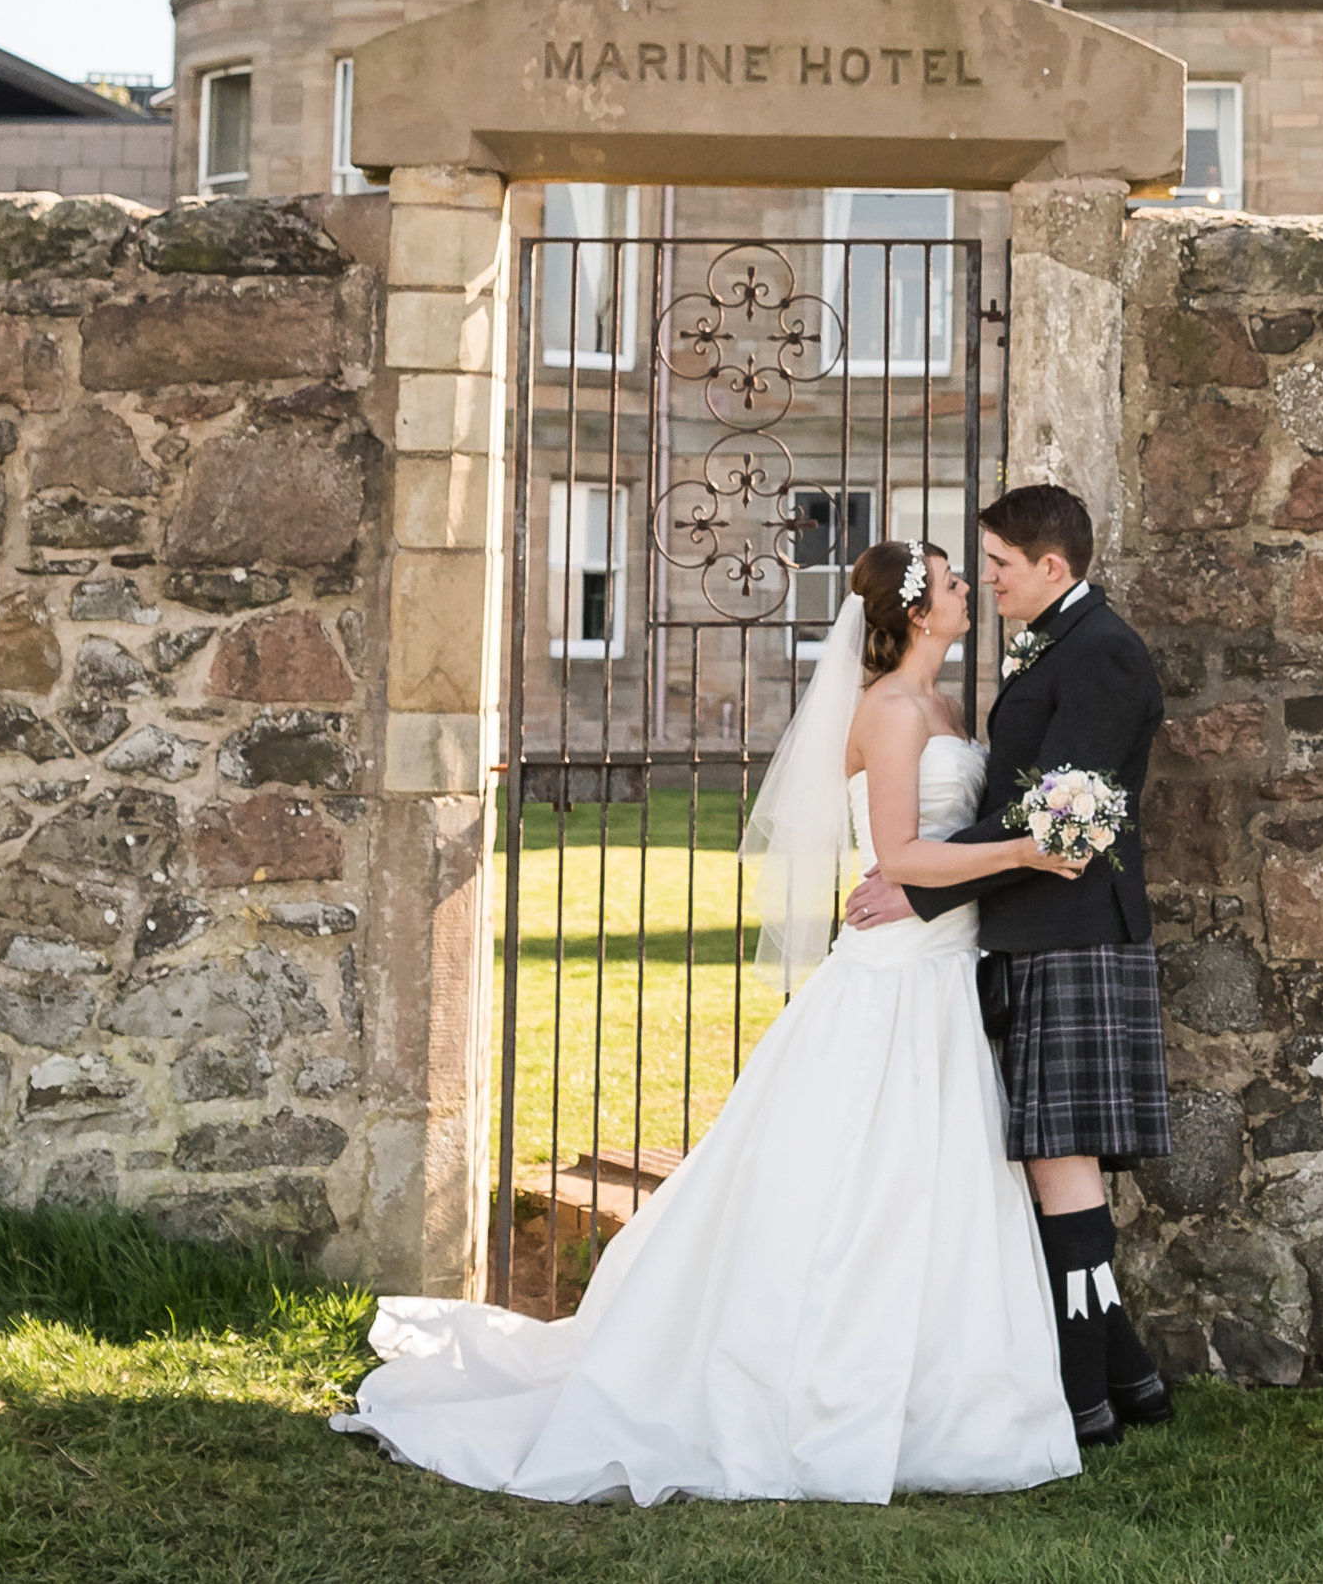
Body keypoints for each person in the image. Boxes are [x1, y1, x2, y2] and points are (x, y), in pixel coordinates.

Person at [332, 536, 1088, 1504]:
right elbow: (898, 855)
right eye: (950, 582)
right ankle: (807, 1379)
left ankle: (948, 1390)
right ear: (914, 610)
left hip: (940, 965)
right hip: (899, 978)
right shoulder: (893, 710)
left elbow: (935, 848)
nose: (968, 590)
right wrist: (1032, 850)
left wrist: (1003, 851)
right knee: (870, 1173)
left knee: (933, 1172)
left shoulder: (940, 704)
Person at [849, 481, 1172, 1447]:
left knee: (1058, 1162)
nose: (985, 580)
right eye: (974, 569)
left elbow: (1058, 813)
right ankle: (1130, 1385)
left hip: (1068, 928)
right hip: (1032, 929)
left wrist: (921, 888)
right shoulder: (1062, 646)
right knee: (1047, 1160)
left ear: (1052, 568)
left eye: (995, 565)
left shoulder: (1103, 654)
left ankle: (1082, 1403)